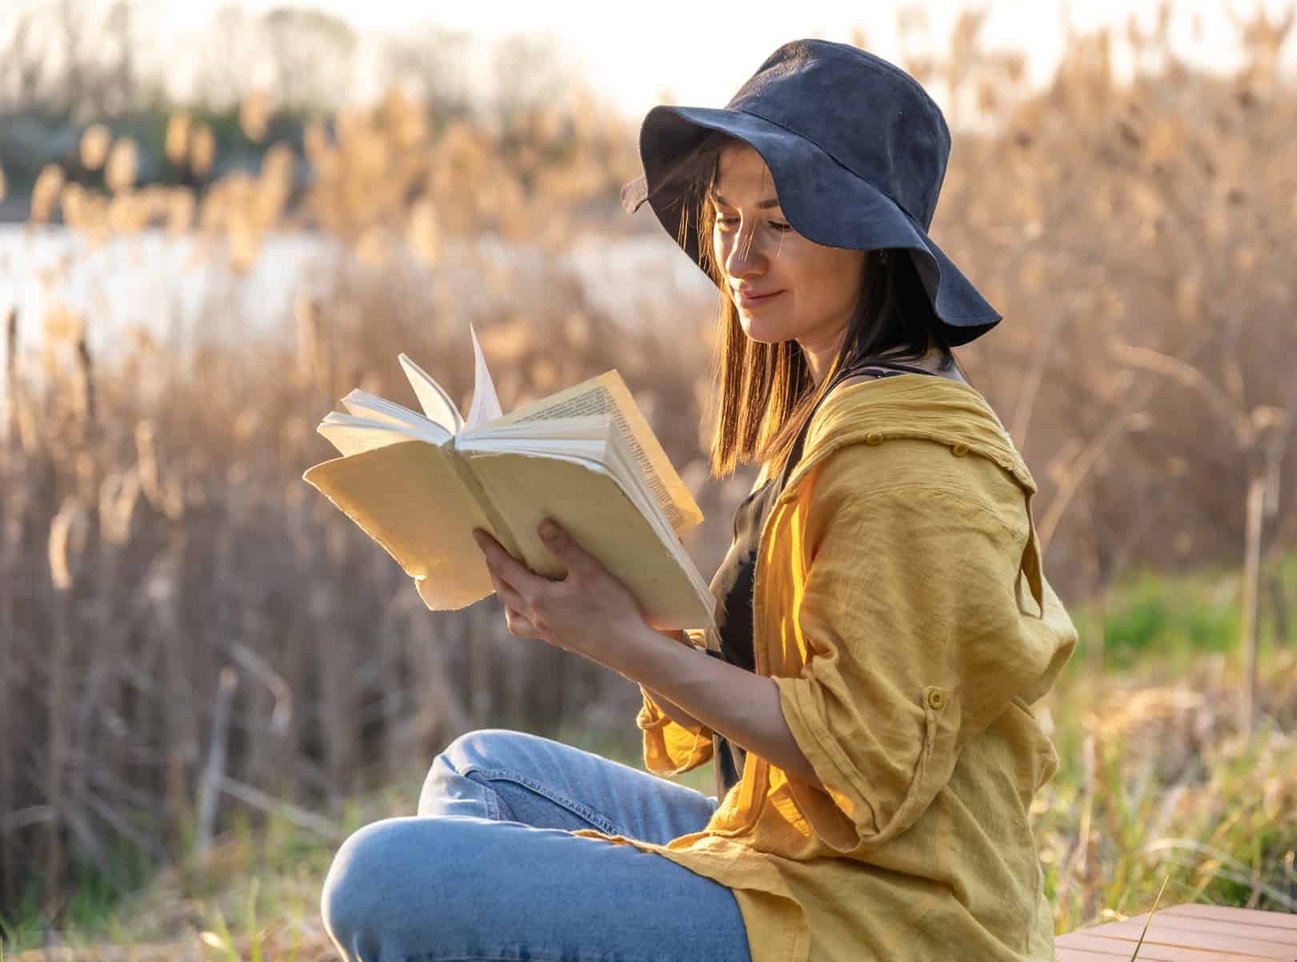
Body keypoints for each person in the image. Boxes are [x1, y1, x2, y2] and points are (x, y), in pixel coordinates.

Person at [320, 38, 1078, 962]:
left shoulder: (908, 463)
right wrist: (619, 615)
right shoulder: (837, 404)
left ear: (872, 240)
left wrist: (621, 641)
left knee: (381, 878)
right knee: (481, 770)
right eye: (725, 218)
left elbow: (869, 756)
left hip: (893, 920)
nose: (740, 256)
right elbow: (793, 698)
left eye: (781, 221)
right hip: (795, 854)